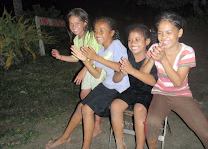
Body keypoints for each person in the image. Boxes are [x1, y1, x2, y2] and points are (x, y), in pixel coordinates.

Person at [140, 12, 208, 149]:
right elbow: (143, 72)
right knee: (151, 124)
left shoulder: (187, 52)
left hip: (181, 95)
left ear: (179, 33)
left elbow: (178, 82)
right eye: (160, 33)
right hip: (161, 94)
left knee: (204, 131)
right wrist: (153, 58)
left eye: (169, 32)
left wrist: (163, 59)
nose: (163, 37)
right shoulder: (154, 48)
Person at [45, 17, 130, 149]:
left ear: (112, 33)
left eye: (102, 30)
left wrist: (95, 57)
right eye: (96, 31)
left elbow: (121, 67)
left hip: (118, 88)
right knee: (81, 106)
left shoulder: (116, 45)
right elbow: (96, 73)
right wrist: (84, 60)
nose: (98, 34)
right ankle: (64, 137)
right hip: (107, 85)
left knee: (86, 109)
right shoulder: (102, 50)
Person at [51, 8, 104, 137]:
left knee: (96, 97)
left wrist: (83, 70)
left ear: (85, 22)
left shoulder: (92, 36)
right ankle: (88, 115)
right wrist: (60, 57)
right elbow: (76, 58)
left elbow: (95, 56)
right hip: (87, 69)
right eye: (71, 23)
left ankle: (97, 125)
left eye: (77, 23)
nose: (73, 26)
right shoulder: (76, 39)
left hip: (99, 68)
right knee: (84, 95)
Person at [110, 24, 157, 149]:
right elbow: (115, 79)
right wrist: (122, 72)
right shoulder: (127, 56)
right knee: (115, 106)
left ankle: (139, 147)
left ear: (147, 41)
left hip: (150, 91)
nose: (132, 43)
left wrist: (131, 70)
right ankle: (120, 145)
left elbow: (153, 82)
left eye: (137, 39)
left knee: (139, 109)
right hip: (133, 89)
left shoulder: (153, 57)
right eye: (130, 40)